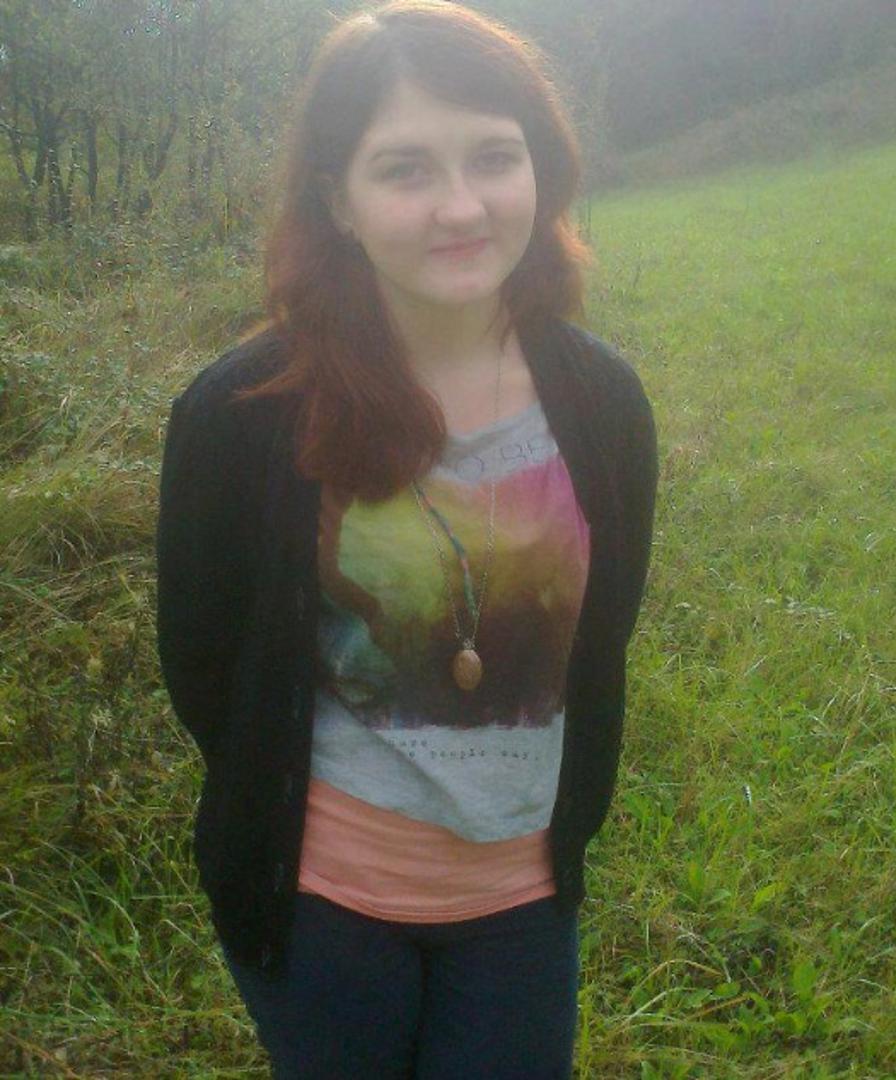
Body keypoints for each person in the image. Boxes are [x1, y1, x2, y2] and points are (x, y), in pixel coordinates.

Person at [155, 1, 658, 1076]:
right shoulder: (243, 413)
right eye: (405, 169)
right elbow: (205, 661)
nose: (460, 206)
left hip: (523, 899)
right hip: (320, 908)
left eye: (493, 157)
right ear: (337, 198)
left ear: (542, 171)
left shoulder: (602, 402)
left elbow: (601, 633)